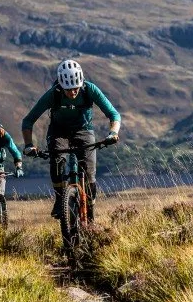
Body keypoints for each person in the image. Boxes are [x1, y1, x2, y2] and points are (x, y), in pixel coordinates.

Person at [21, 59, 120, 222]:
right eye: (68, 90)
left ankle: (90, 209)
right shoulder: (53, 94)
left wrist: (113, 133)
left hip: (84, 130)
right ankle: (60, 199)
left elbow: (114, 114)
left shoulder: (90, 90)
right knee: (57, 160)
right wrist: (28, 145)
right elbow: (28, 120)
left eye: (75, 88)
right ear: (61, 85)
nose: (73, 92)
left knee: (89, 173)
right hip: (59, 131)